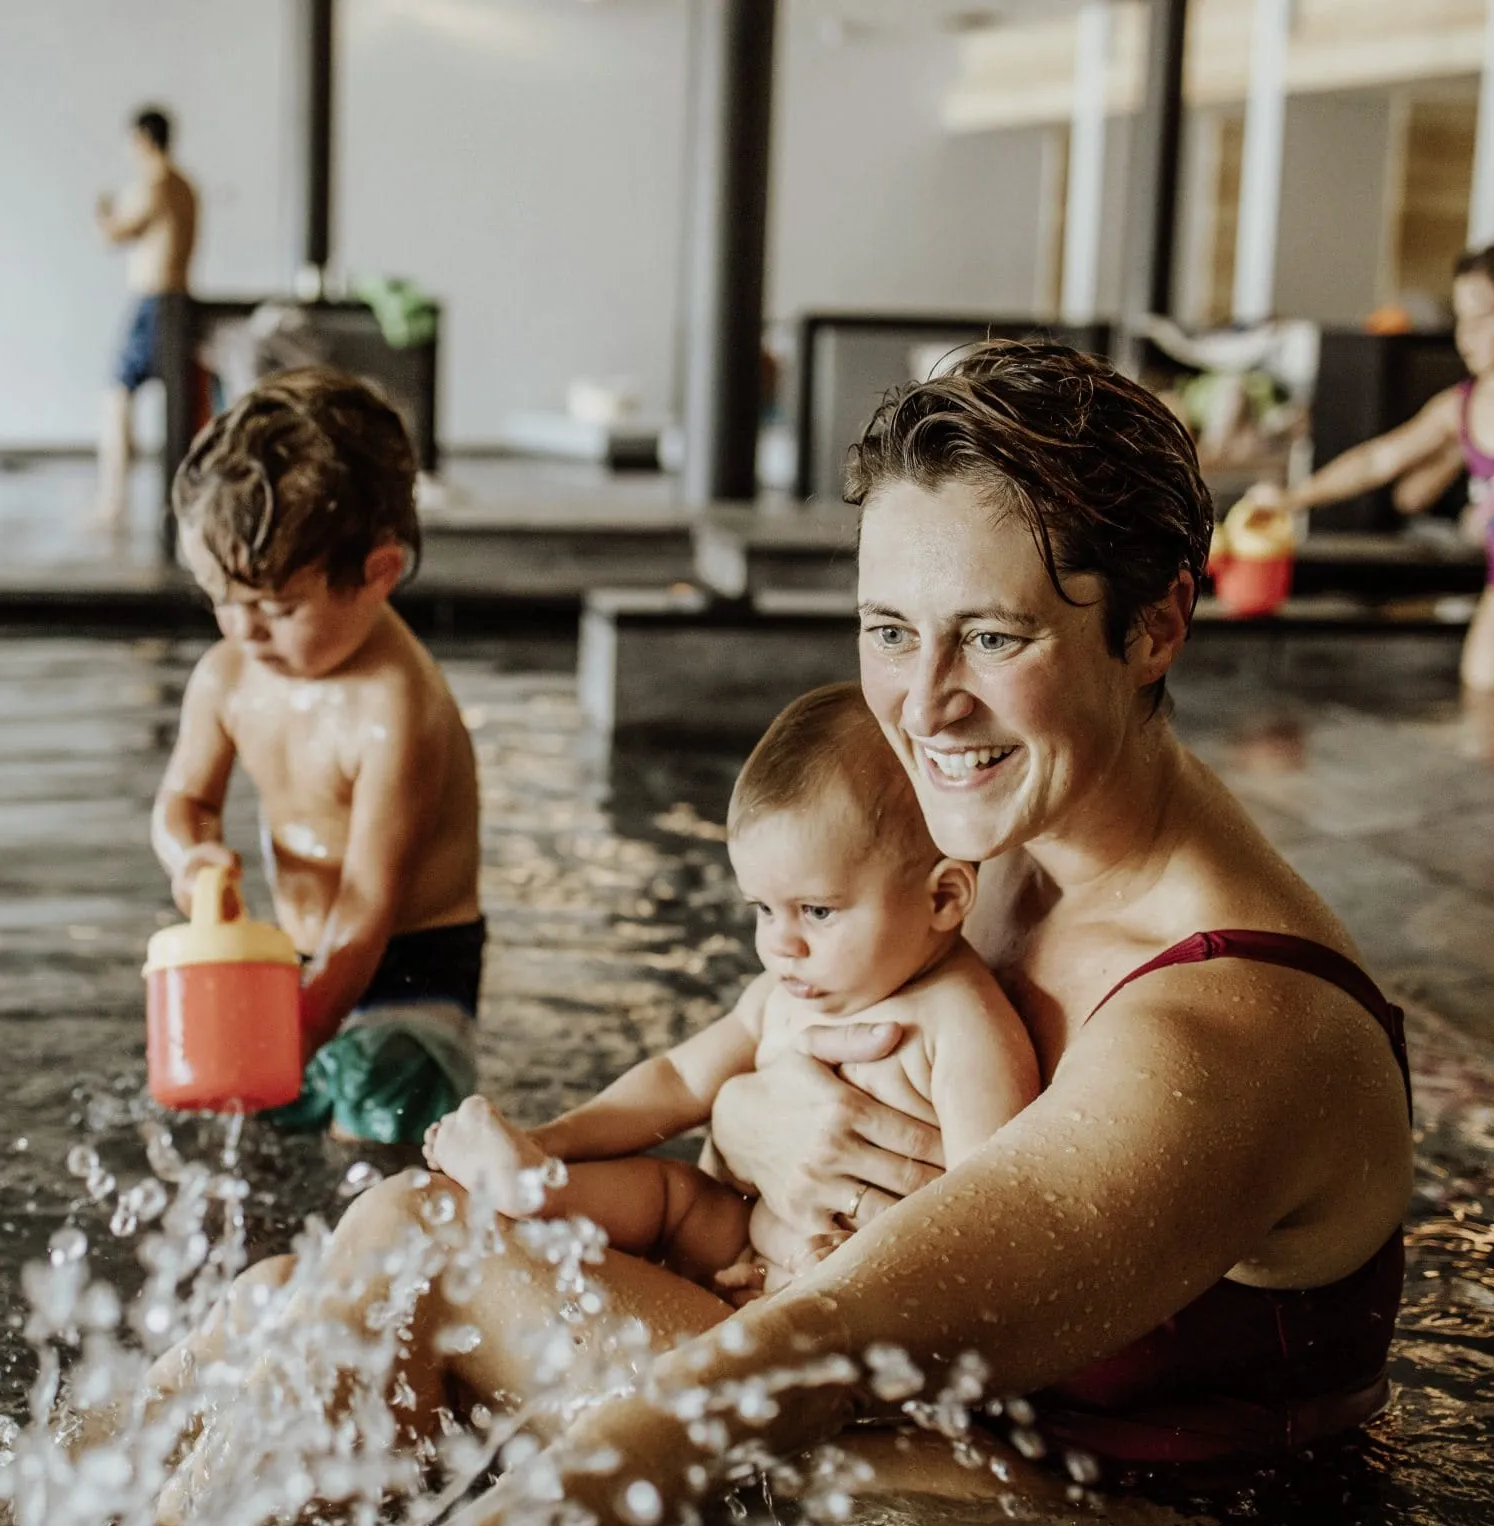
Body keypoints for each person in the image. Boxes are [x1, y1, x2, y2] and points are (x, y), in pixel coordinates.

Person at [170, 343, 1414, 1526]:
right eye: (888, 630)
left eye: (992, 639)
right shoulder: (987, 850)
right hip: (923, 1434)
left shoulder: (1226, 1022)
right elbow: (758, 1081)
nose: (921, 704)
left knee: (415, 1245)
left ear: (1158, 622)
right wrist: (757, 1124)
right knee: (282, 1298)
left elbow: (817, 1347)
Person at [424, 682, 1040, 1298]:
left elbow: (988, 1223)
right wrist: (548, 1138)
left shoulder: (962, 1028)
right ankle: (533, 1182)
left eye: (817, 912)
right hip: (738, 1243)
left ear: (944, 898)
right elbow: (675, 1082)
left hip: (842, 1300)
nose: (780, 944)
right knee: (670, 1196)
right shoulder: (784, 991)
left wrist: (855, 1282)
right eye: (763, 910)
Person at [152, 366, 484, 1144]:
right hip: (293, 956)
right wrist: (190, 858)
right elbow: (182, 805)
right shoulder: (228, 677)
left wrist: (294, 1038)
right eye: (222, 600)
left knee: (375, 1116)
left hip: (409, 970)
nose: (245, 631)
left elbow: (366, 911)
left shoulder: (395, 707)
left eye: (278, 607)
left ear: (378, 575)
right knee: (218, 1115)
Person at [1250, 232, 1494, 710]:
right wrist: (1293, 497)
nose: (1466, 335)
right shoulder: (1459, 406)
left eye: (1484, 319)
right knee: (1485, 692)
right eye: (1461, 319)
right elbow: (1379, 459)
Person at [93, 105, 200, 532]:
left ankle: (112, 501)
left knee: (116, 396)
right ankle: (137, 491)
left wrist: (102, 211)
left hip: (153, 301)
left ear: (140, 139)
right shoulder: (187, 187)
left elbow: (115, 235)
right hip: (177, 299)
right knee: (154, 400)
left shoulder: (155, 184)